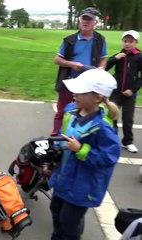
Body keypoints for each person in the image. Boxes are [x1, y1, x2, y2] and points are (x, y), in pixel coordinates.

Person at [48, 69, 121, 240]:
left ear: (97, 97)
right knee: (56, 211)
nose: (75, 94)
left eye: (81, 92)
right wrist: (54, 154)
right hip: (64, 178)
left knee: (69, 222)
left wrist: (81, 149)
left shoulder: (103, 127)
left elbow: (108, 157)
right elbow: (64, 136)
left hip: (82, 186)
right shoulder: (72, 111)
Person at [51, 7, 107, 136]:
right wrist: (71, 64)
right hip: (69, 81)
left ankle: (78, 136)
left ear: (95, 22)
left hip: (89, 85)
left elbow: (103, 59)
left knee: (85, 111)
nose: (85, 21)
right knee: (62, 111)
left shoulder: (100, 40)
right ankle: (56, 137)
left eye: (89, 19)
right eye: (83, 18)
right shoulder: (69, 40)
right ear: (79, 20)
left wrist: (101, 69)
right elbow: (57, 59)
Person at [105, 30, 142, 153]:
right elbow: (105, 67)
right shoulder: (119, 56)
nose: (127, 44)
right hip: (116, 92)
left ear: (136, 42)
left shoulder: (139, 57)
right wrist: (115, 58)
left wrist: (132, 90)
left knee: (128, 118)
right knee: (112, 116)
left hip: (130, 94)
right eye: (125, 41)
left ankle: (128, 142)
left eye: (131, 42)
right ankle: (112, 139)